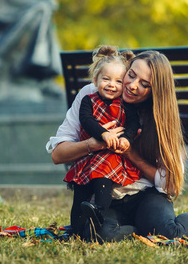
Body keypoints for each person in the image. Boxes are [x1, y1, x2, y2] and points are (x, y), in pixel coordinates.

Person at [46, 49, 188, 242]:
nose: (132, 86)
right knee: (96, 235)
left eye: (144, 84)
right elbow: (58, 155)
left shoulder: (160, 118)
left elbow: (170, 186)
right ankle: (142, 229)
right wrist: (95, 143)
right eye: (131, 75)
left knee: (169, 234)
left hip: (145, 195)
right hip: (107, 199)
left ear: (155, 91)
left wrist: (131, 154)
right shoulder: (92, 95)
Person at [63, 46, 141, 236]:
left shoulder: (125, 105)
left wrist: (126, 139)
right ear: (96, 80)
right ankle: (76, 227)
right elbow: (86, 120)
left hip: (110, 157)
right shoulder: (88, 100)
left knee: (102, 184)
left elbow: (133, 124)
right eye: (106, 79)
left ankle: (98, 213)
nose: (111, 85)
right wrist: (103, 134)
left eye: (118, 81)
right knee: (80, 193)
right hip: (87, 157)